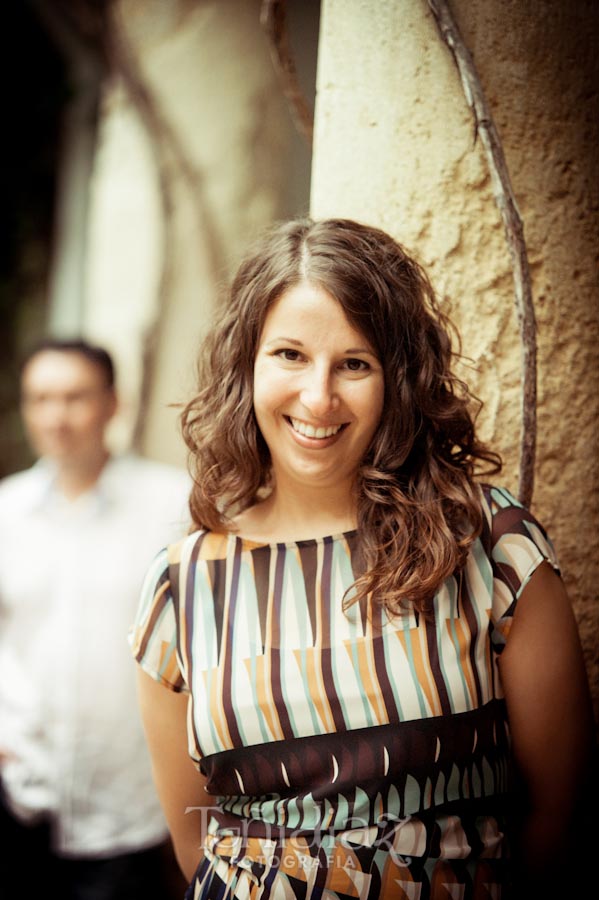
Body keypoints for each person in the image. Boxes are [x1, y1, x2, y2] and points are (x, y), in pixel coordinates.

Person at [130, 218, 595, 900]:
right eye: (289, 355)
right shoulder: (183, 583)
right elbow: (195, 840)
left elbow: (562, 814)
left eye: (354, 363)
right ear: (246, 365)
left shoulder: (490, 546)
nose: (318, 398)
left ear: (397, 380)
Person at [0, 338, 191, 900]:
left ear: (113, 404)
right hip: (17, 797)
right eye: (41, 399)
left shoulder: (174, 505)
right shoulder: (4, 511)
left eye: (74, 397)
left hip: (127, 811)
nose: (56, 417)